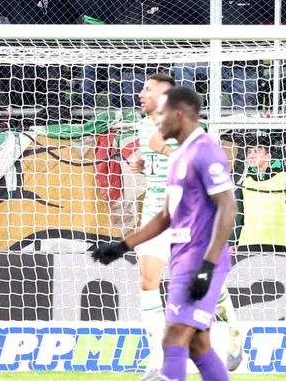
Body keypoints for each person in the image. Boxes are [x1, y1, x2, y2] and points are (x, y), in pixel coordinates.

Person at [89, 84, 238, 381]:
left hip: (201, 257)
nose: (156, 122)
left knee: (174, 338)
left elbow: (228, 207)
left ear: (179, 114)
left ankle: (231, 327)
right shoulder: (177, 159)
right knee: (198, 345)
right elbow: (165, 216)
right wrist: (122, 246)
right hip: (181, 256)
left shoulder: (205, 150)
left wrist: (208, 265)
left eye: (162, 115)